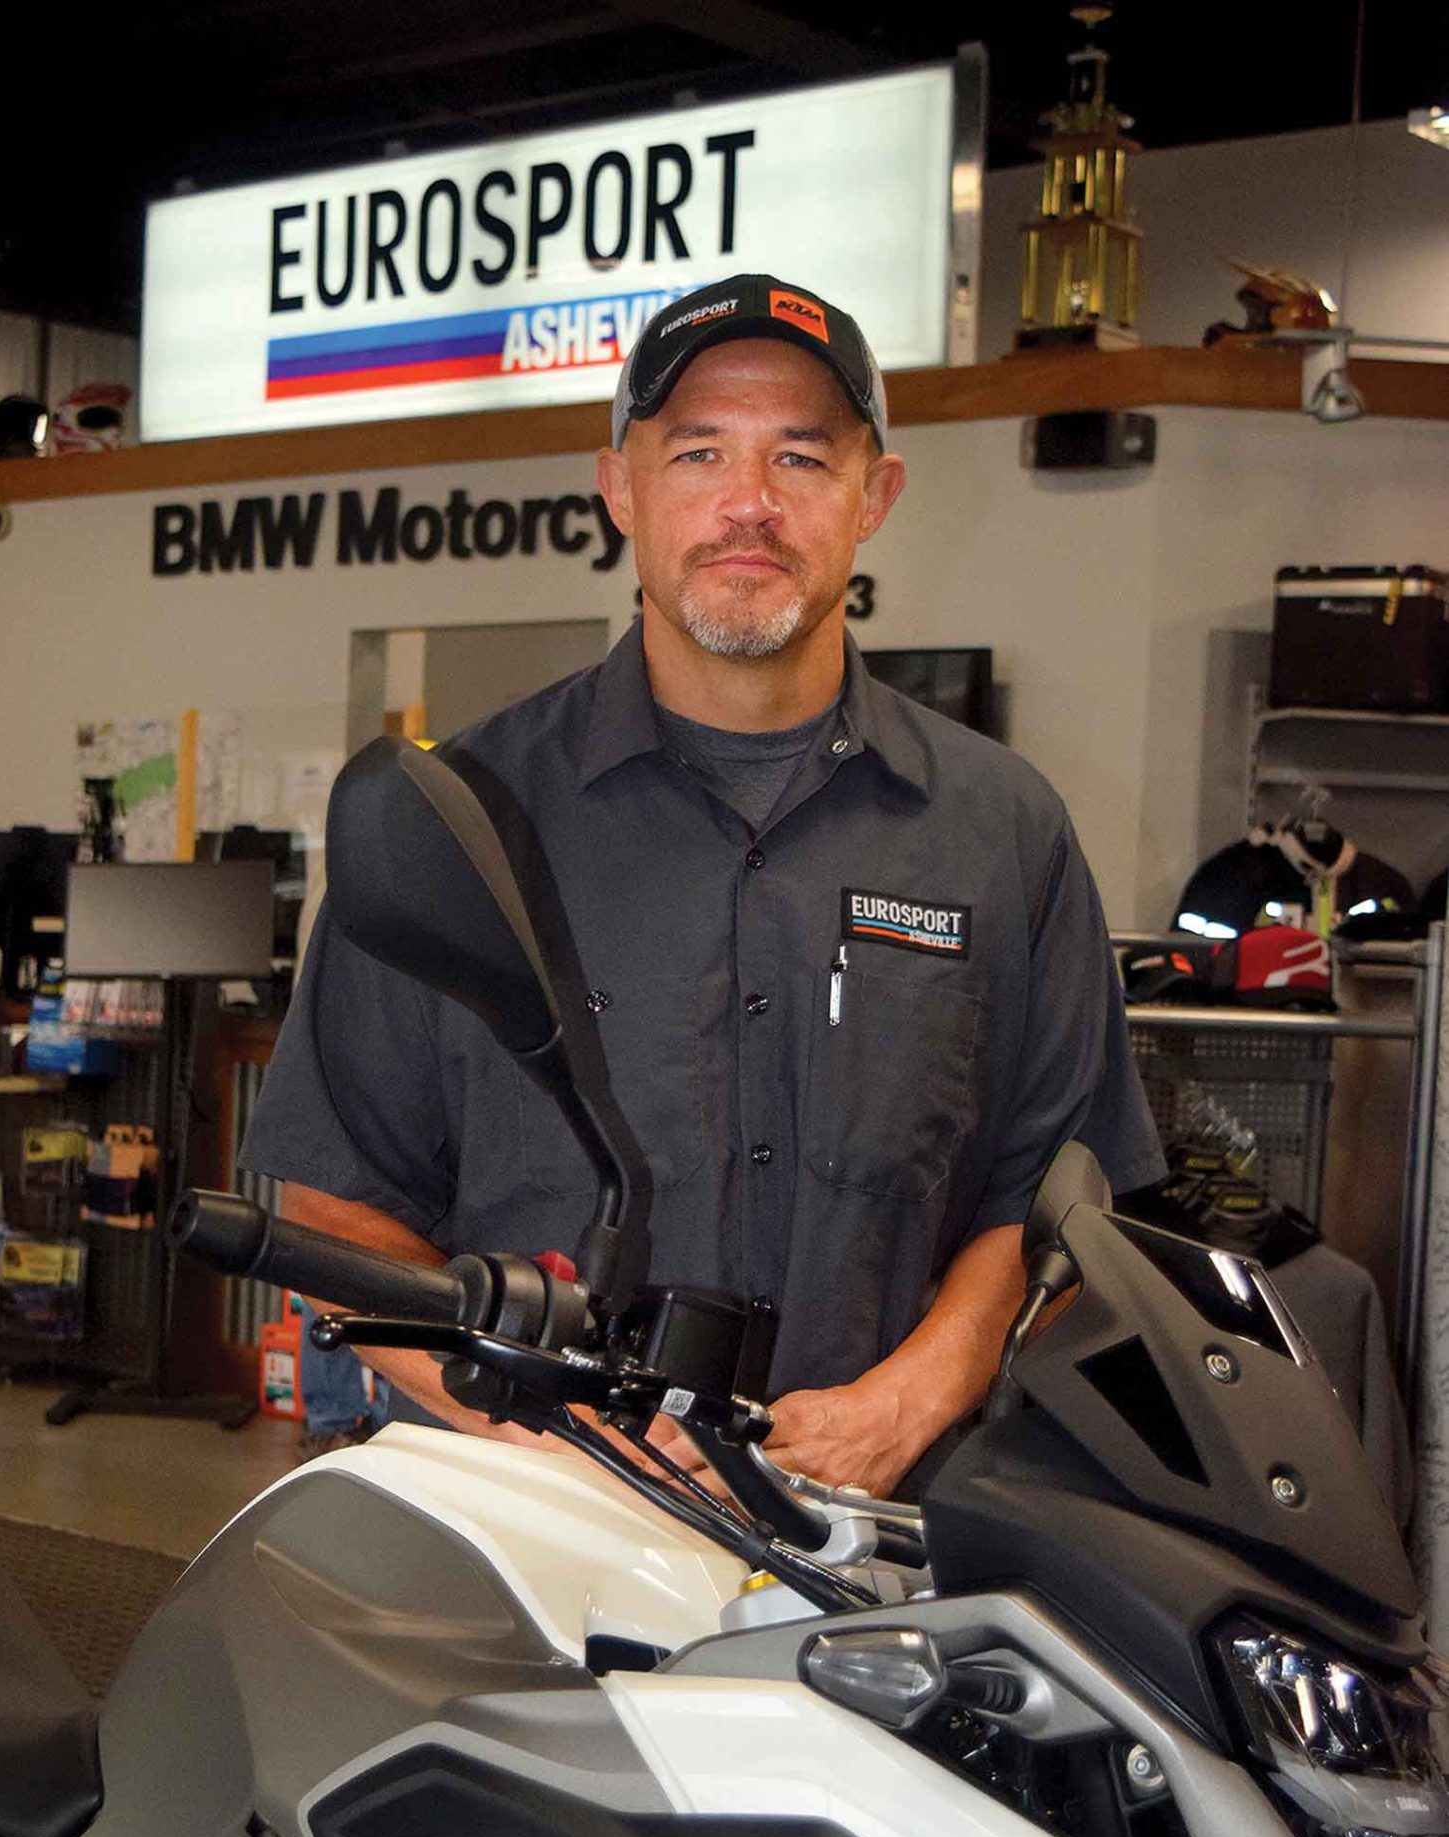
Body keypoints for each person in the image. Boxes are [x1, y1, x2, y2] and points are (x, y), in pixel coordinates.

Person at [242, 273, 1163, 1493]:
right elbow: (331, 1206)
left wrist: (900, 1409)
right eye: (696, 454)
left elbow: (1050, 1197)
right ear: (619, 487)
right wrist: (537, 1437)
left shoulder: (1002, 832)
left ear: (873, 497)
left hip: (878, 1554)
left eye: (799, 457)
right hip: (527, 1536)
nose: (747, 505)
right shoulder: (459, 819)